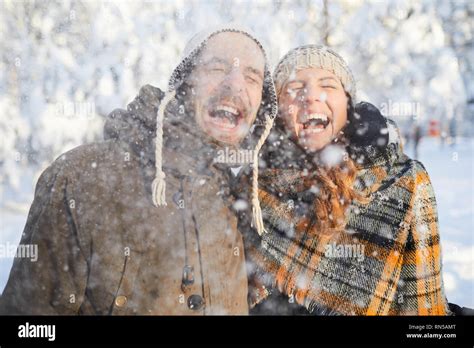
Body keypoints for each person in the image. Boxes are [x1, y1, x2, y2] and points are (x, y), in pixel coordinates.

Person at [0, 24, 278, 315]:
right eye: (217, 68)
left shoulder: (240, 202)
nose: (235, 85)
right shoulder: (84, 179)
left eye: (252, 76)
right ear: (184, 83)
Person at [244, 45, 452, 315]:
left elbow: (426, 311)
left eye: (328, 85)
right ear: (278, 111)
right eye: (294, 88)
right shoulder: (252, 185)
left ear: (347, 104)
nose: (311, 96)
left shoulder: (404, 181)